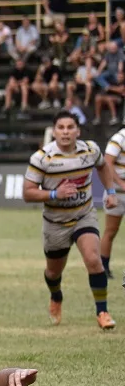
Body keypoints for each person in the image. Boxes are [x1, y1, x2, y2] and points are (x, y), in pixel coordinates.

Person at [23, 111, 118, 329]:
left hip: (83, 215)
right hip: (55, 223)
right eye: (61, 128)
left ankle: (102, 311)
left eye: (70, 127)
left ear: (78, 131)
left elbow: (103, 166)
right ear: (54, 131)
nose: (66, 132)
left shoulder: (90, 150)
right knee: (54, 272)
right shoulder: (42, 158)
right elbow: (28, 193)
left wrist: (110, 191)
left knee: (94, 260)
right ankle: (56, 296)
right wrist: (55, 194)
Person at [100, 126, 125, 278]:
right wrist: (121, 183)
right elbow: (107, 162)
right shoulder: (119, 138)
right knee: (111, 231)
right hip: (116, 193)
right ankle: (104, 268)